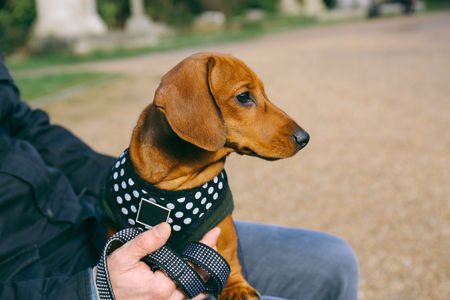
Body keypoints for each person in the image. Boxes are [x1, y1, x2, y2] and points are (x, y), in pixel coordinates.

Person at [0, 52, 359, 300]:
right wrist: (91, 291)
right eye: (245, 98)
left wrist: (134, 181)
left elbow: (18, 122)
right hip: (43, 280)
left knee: (333, 260)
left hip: (85, 217)